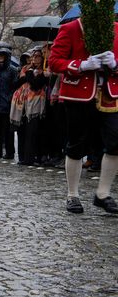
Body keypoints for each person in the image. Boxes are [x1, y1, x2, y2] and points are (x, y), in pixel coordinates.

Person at [48, 11, 118, 214]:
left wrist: (114, 64)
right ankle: (73, 195)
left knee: (115, 143)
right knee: (76, 145)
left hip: (109, 94)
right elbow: (54, 61)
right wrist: (81, 65)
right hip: (78, 94)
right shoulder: (70, 29)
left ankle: (103, 194)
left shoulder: (115, 29)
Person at [12, 48, 49, 166]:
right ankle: (23, 157)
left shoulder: (44, 70)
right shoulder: (25, 68)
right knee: (22, 131)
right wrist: (28, 75)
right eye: (33, 56)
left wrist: (29, 74)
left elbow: (35, 85)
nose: (34, 58)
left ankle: (32, 158)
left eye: (37, 56)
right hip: (22, 103)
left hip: (35, 104)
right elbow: (16, 83)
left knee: (33, 131)